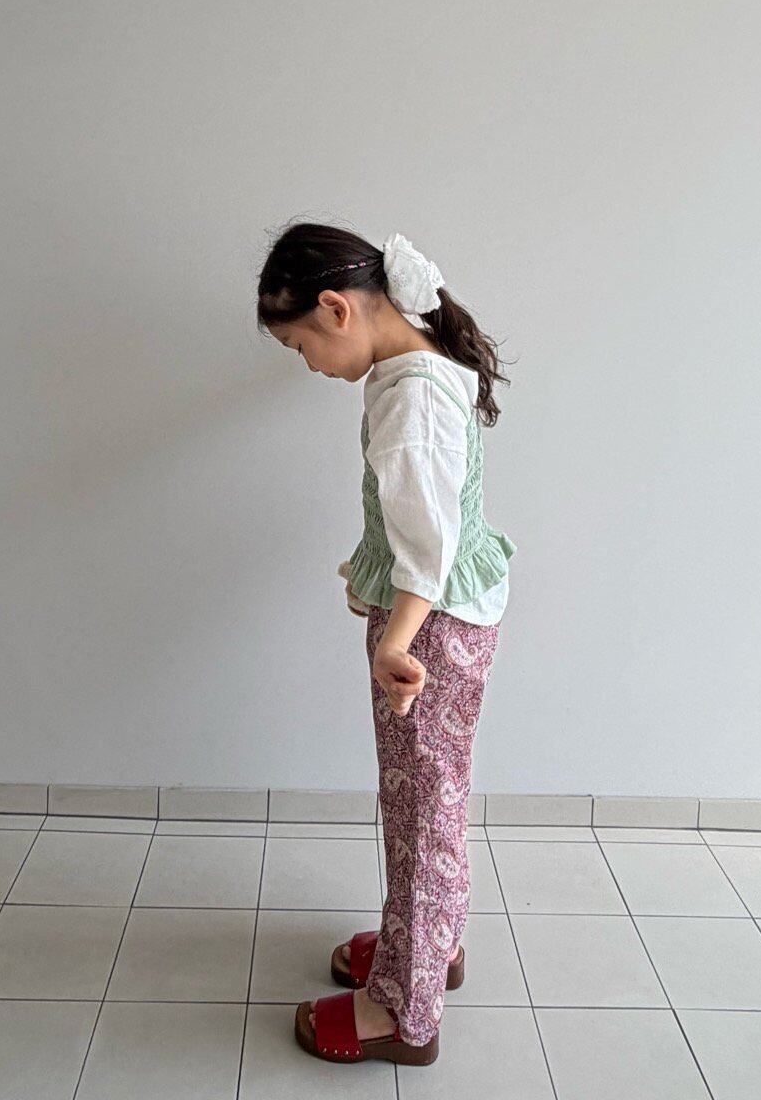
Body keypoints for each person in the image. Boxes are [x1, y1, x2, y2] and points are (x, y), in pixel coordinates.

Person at [255, 223, 517, 1066]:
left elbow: (428, 550)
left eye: (300, 346)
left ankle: (405, 1011)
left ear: (337, 310)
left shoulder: (409, 399)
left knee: (421, 814)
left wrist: (395, 644)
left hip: (428, 632)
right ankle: (428, 948)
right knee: (426, 803)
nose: (308, 365)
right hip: (444, 620)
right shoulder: (417, 366)